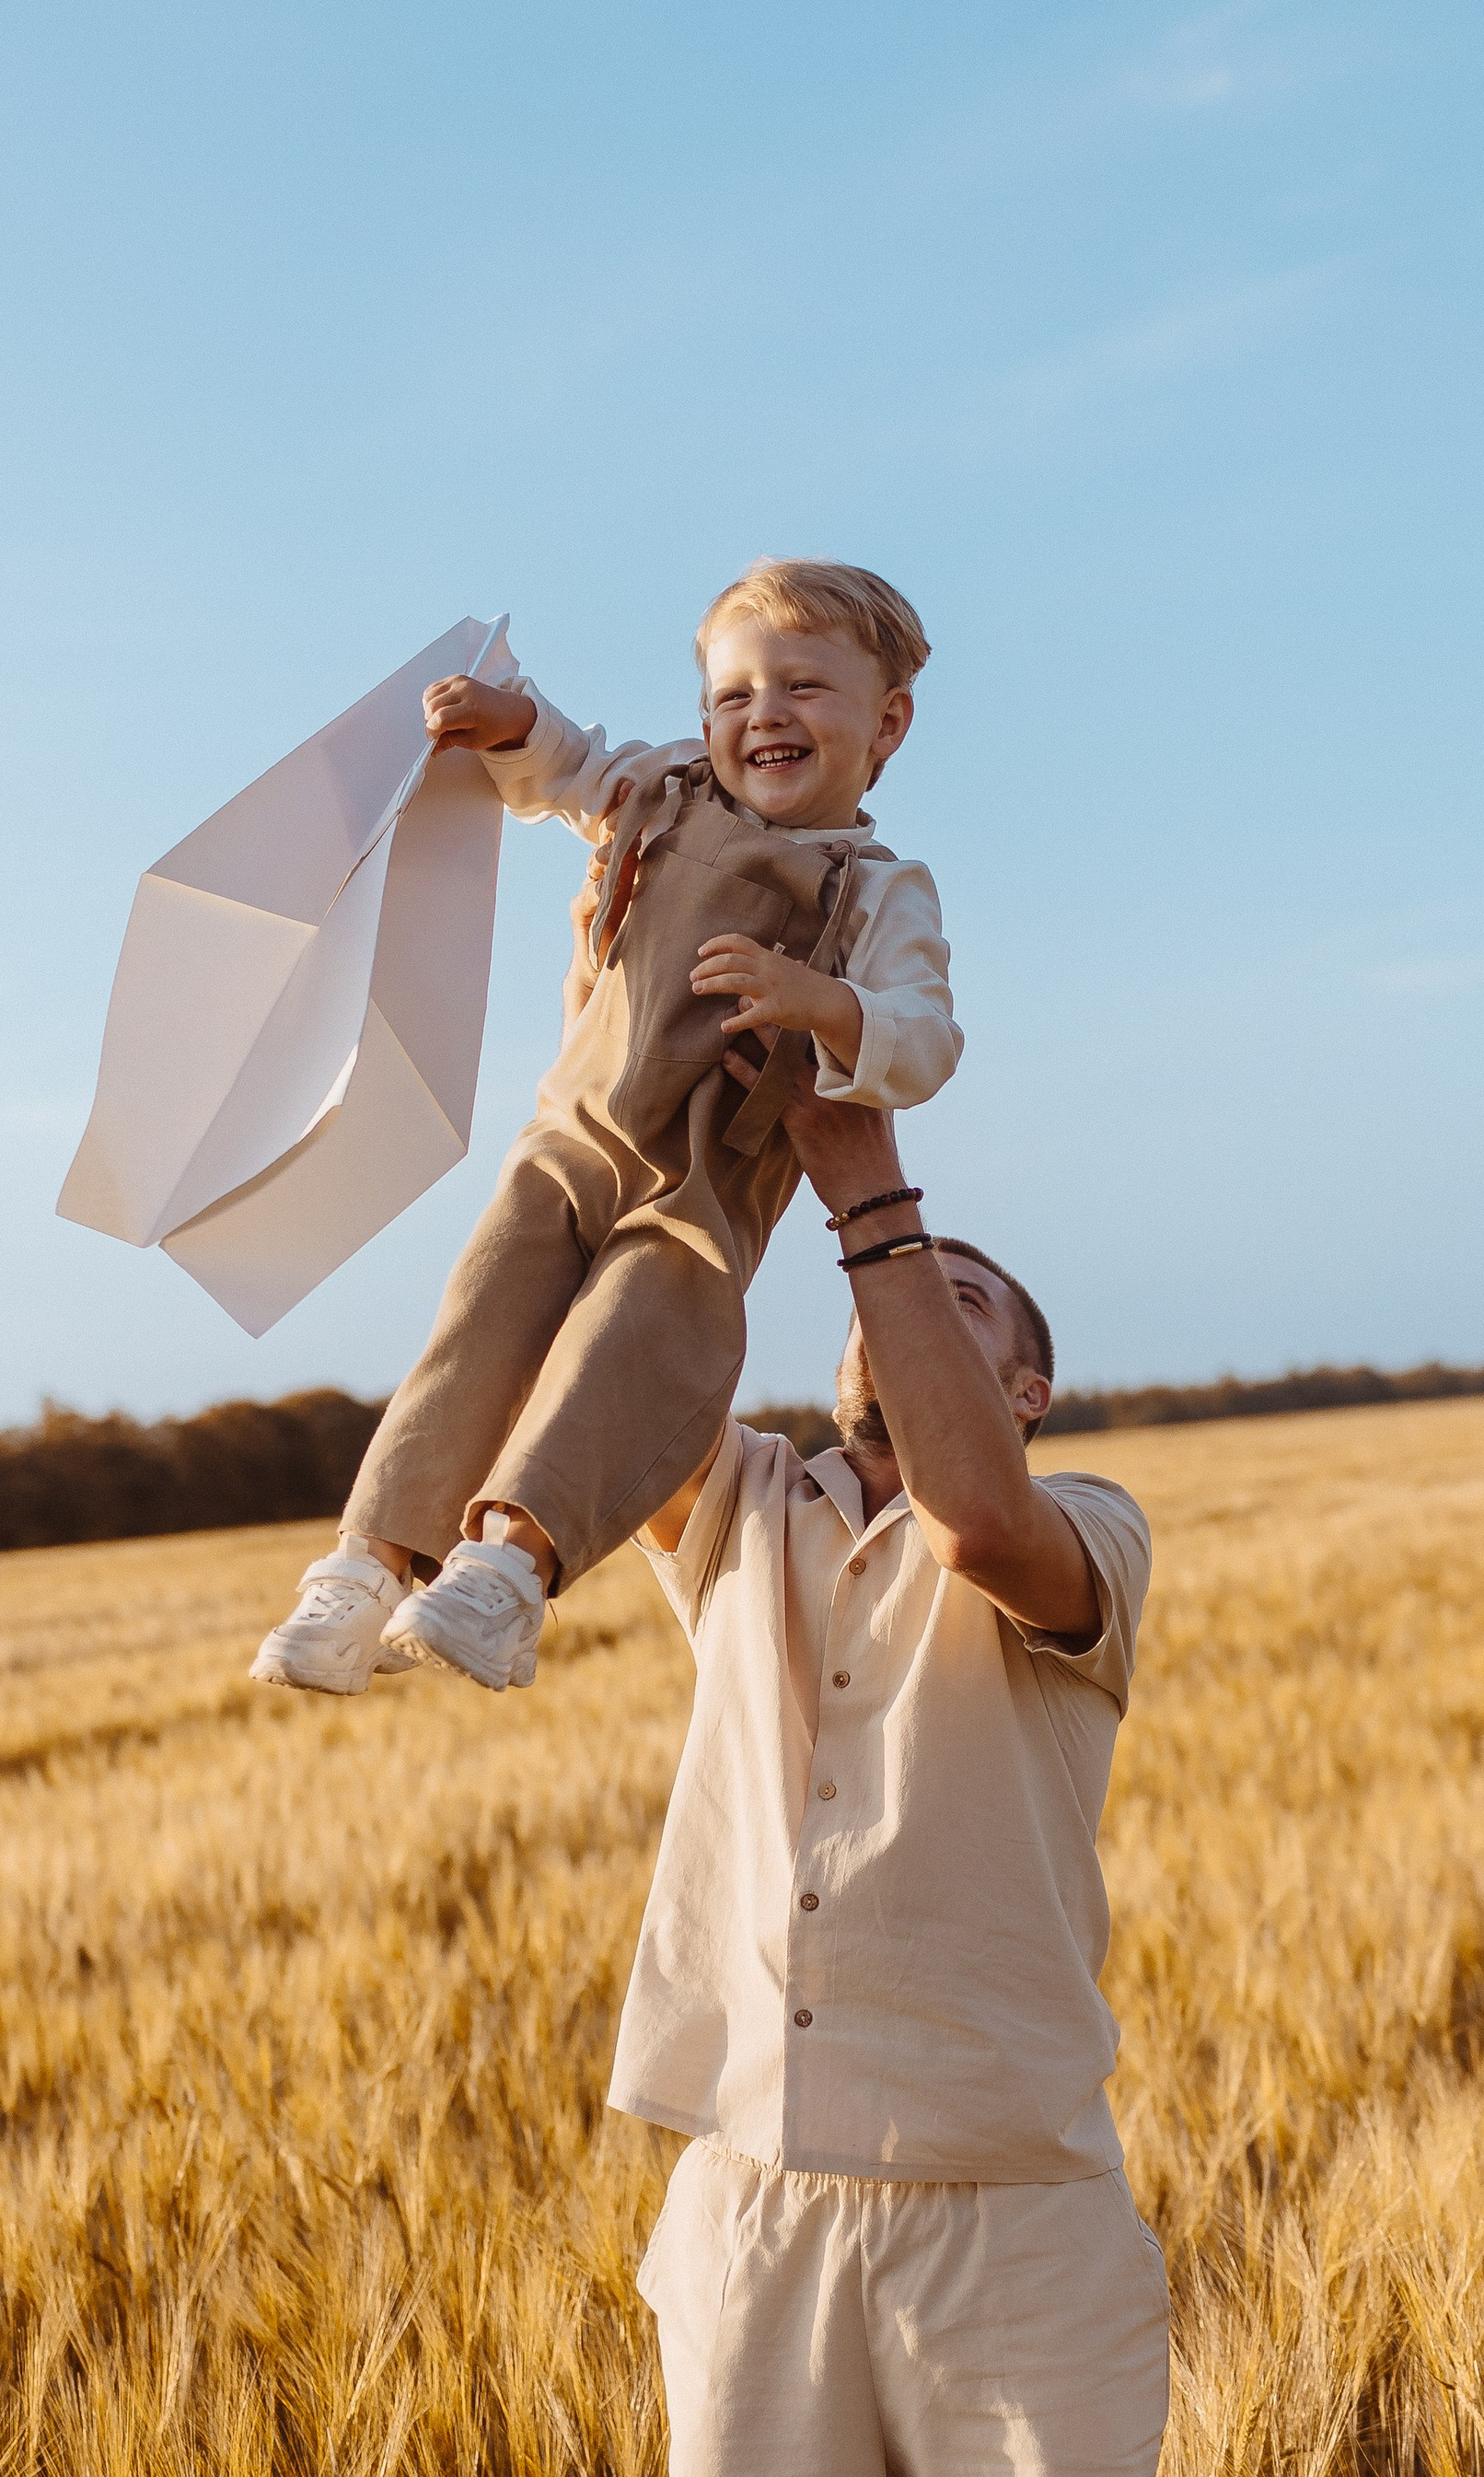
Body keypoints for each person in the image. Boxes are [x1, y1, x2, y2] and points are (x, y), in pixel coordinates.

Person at [617, 1032, 1170, 2477]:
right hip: (752, 2199)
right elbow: (609, 1334)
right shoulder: (741, 1511)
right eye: (878, 1291)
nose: (895, 1299)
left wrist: (870, 1182)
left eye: (955, 1297)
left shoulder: (1078, 1528)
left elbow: (975, 1517)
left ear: (1023, 1387)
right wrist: (633, 1064)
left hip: (1009, 2210)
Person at [250, 562, 960, 1698]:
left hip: (702, 1184)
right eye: (733, 696)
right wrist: (512, 723)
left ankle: (507, 1570)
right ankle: (365, 1564)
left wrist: (820, 999)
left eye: (802, 689)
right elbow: (573, 768)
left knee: (631, 1347)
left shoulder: (878, 891)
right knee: (478, 1323)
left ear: (887, 725)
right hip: (567, 1141)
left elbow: (924, 1039)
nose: (762, 715)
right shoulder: (669, 788)